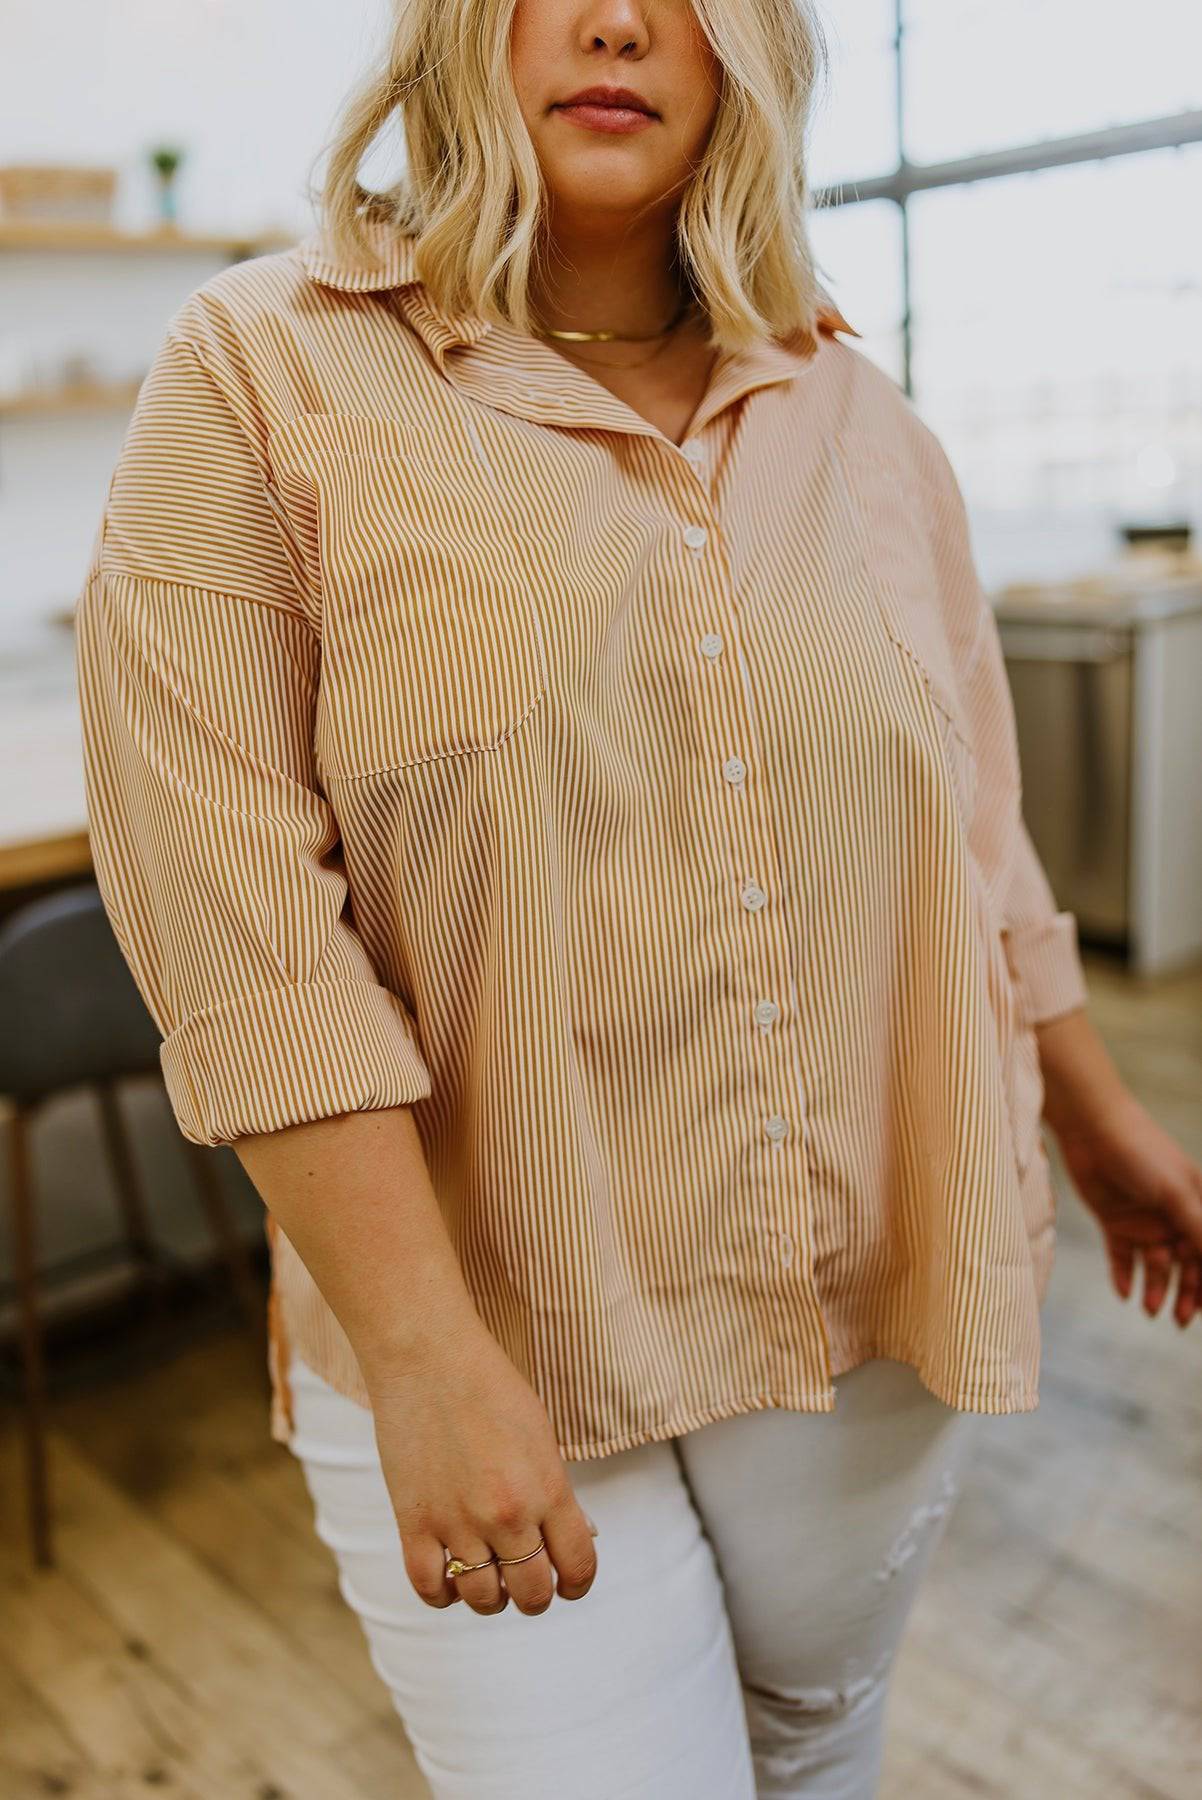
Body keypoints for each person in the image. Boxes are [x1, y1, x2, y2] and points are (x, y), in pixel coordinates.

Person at [74, 2, 1202, 1795]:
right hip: (487, 1307)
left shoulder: (859, 415)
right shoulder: (261, 371)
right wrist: (420, 1350)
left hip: (869, 1267)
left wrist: (1093, 1107)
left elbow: (972, 825)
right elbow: (236, 923)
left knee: (812, 1742)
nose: (617, 20)